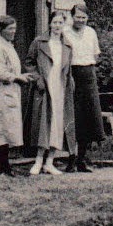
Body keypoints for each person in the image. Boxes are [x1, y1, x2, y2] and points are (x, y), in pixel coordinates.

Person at [24, 9, 77, 175]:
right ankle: (38, 162)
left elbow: (68, 69)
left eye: (60, 23)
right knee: (43, 124)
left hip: (61, 88)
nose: (57, 26)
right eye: (55, 22)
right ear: (49, 23)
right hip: (45, 88)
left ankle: (50, 162)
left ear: (64, 24)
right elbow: (29, 62)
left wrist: (71, 83)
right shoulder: (39, 42)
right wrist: (38, 79)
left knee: (58, 124)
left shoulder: (67, 45)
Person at [0, 15, 33, 176]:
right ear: (1, 30)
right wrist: (17, 77)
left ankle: (5, 168)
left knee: (7, 131)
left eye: (14, 28)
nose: (13, 31)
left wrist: (22, 75)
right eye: (10, 29)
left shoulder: (8, 46)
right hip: (1, 93)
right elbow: (0, 73)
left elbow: (11, 70)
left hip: (10, 92)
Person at [62, 4, 105, 171]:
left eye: (83, 17)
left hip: (88, 74)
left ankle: (81, 159)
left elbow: (95, 54)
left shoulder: (91, 32)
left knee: (88, 117)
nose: (80, 20)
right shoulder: (65, 32)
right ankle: (70, 159)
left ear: (87, 18)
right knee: (73, 117)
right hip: (71, 74)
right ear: (72, 16)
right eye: (77, 17)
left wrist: (89, 72)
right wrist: (69, 75)